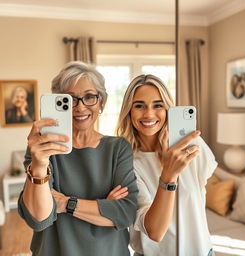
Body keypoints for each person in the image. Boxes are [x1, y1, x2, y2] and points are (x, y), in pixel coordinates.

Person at [18, 61, 138, 256]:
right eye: (70, 99)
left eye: (89, 97)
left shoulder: (118, 148)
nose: (80, 107)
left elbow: (125, 213)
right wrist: (39, 165)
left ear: (101, 103)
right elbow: (39, 219)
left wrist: (65, 203)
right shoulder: (44, 150)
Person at [116, 74, 217, 256]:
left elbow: (203, 183)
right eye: (139, 106)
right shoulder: (125, 163)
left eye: (158, 105)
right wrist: (168, 175)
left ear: (167, 109)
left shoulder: (192, 145)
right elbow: (153, 231)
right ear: (129, 110)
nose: (149, 114)